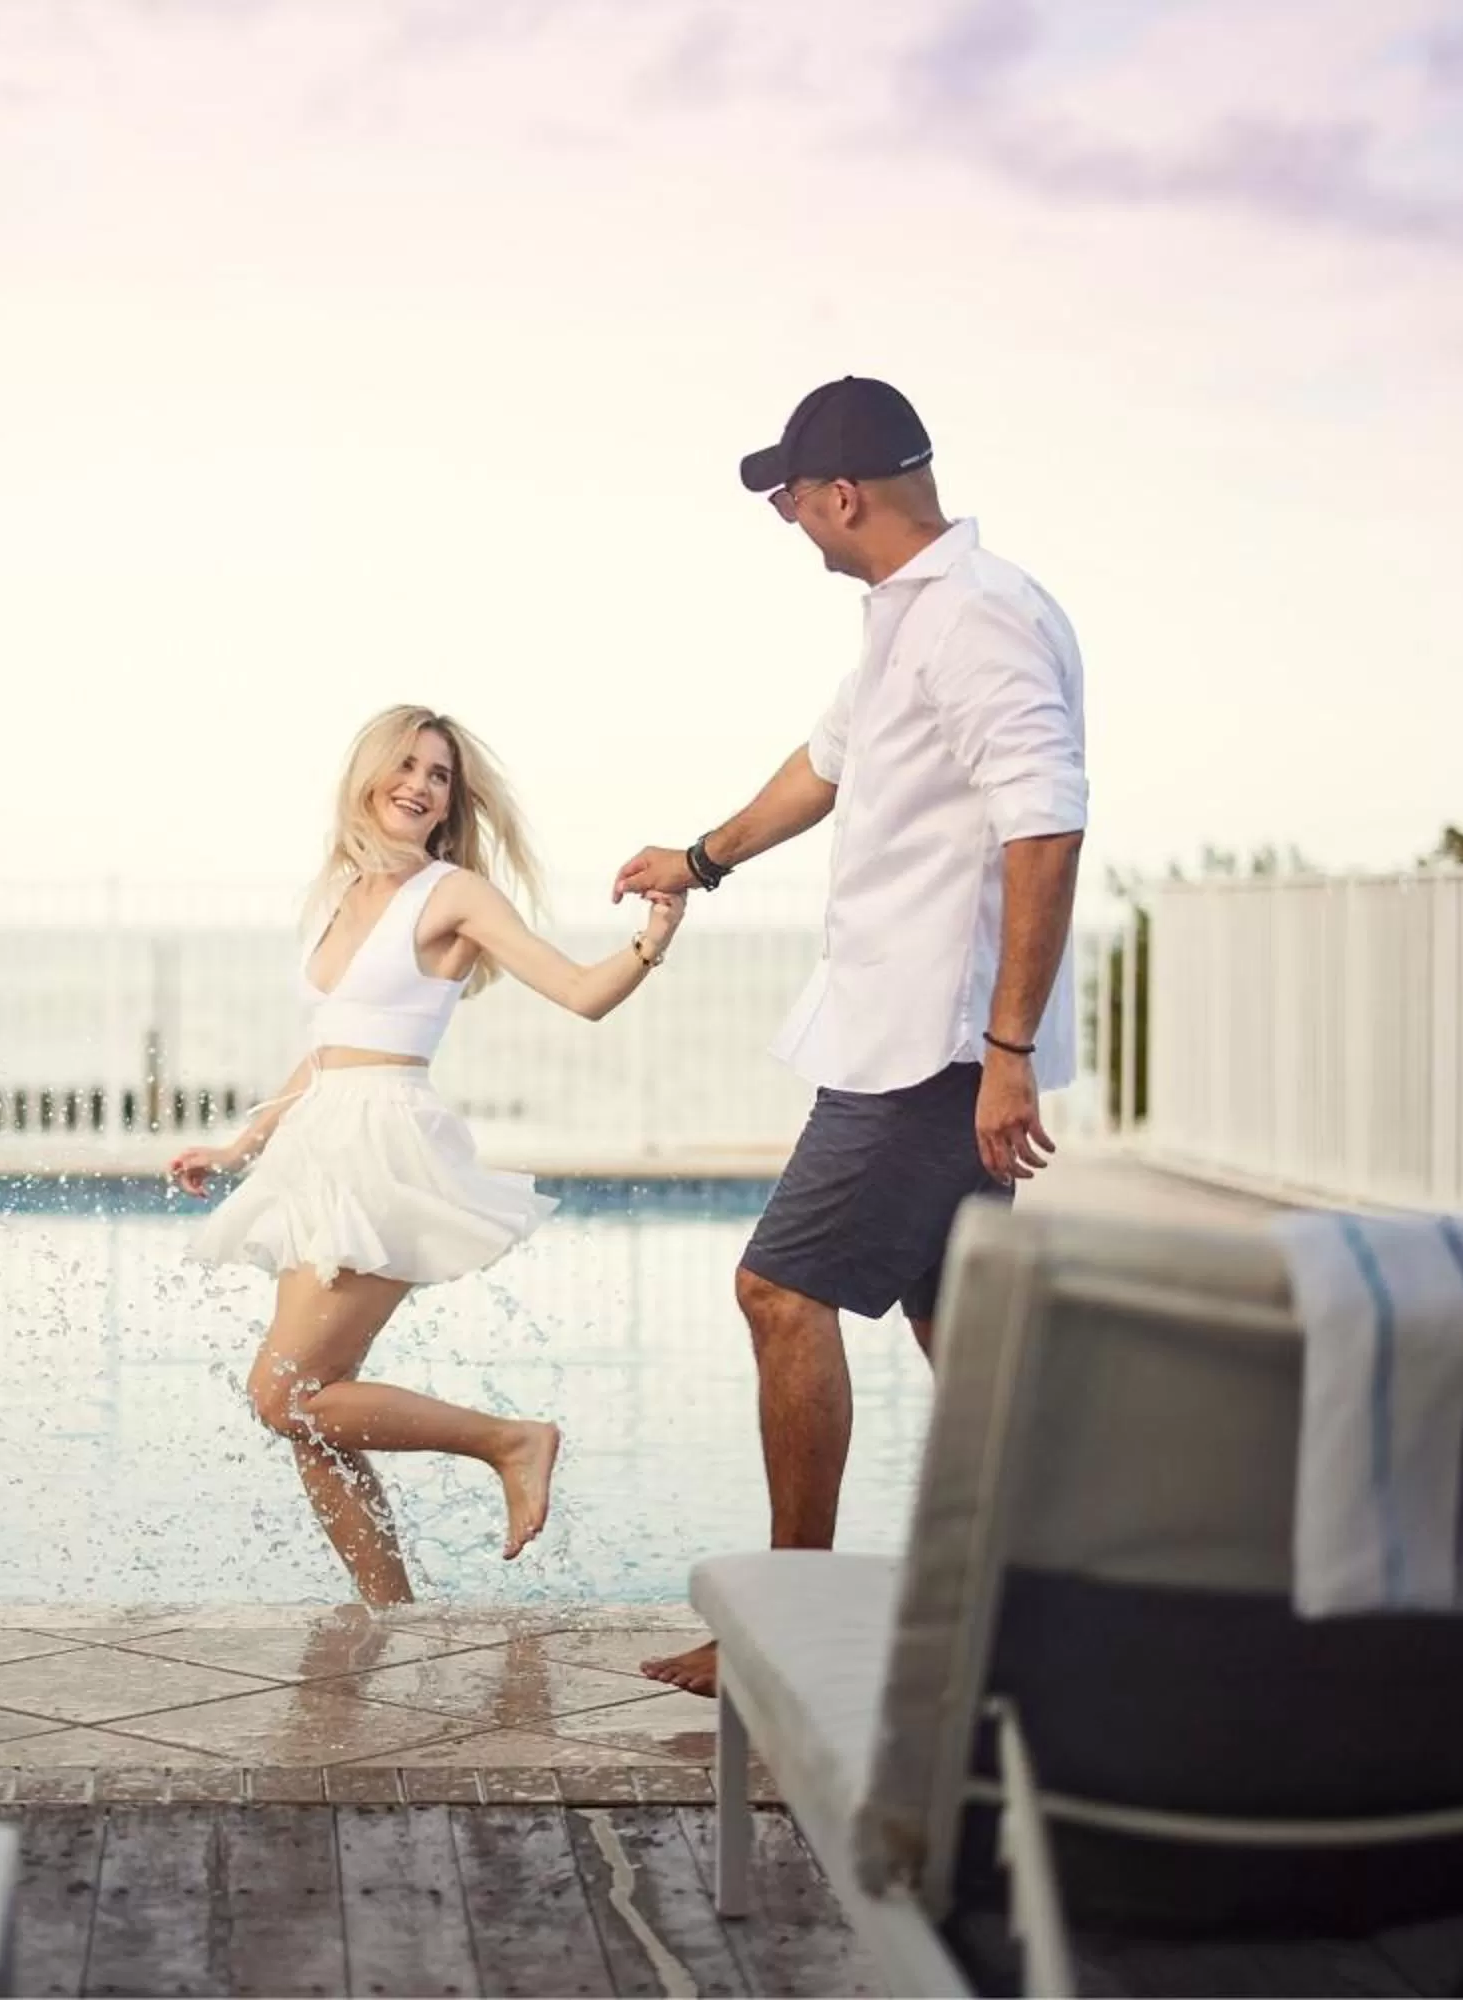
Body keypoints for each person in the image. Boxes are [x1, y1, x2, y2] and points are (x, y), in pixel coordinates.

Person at [611, 378, 1088, 1696]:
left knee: (780, 1291)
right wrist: (699, 859)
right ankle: (1047, 1612)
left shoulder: (982, 622)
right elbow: (826, 768)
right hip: (908, 1032)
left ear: (844, 495)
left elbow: (1045, 824)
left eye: (790, 494)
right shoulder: (905, 624)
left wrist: (1007, 1050)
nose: (784, 516)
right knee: (970, 1340)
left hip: (933, 1049)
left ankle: (782, 1633)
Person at [173, 704, 686, 1606]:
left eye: (438, 775)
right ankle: (391, 1614)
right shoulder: (341, 894)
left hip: (384, 1149)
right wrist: (242, 1141)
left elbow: (577, 992)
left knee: (284, 1395)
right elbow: (330, 1044)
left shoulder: (453, 894)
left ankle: (509, 1441)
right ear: (368, 776)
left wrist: (652, 940)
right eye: (406, 765)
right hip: (317, 1145)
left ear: (451, 803)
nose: (418, 784)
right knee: (313, 1413)